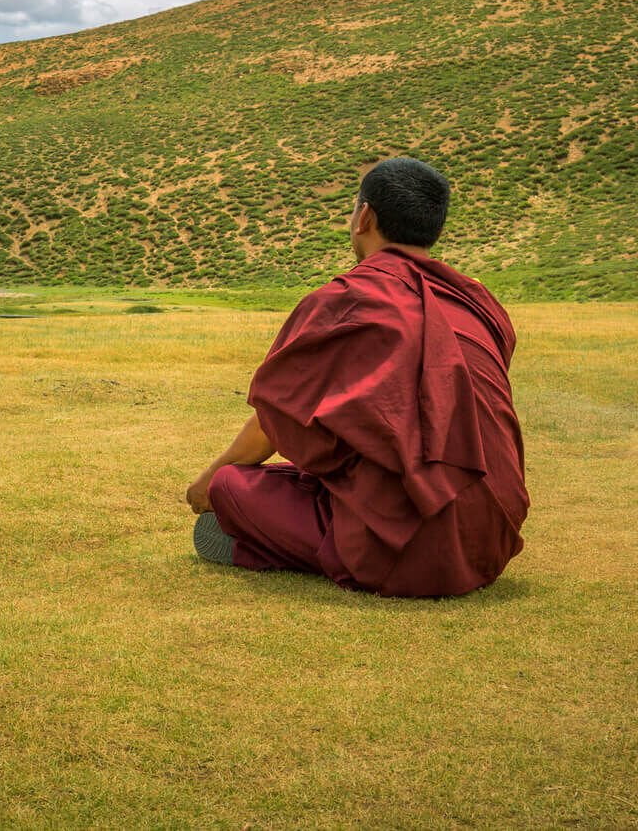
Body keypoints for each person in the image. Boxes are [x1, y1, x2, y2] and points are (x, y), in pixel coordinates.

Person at [185, 157, 528, 598]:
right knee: (319, 475)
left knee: (233, 484)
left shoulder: (348, 301)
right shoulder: (477, 301)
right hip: (491, 539)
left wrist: (207, 482)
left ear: (364, 215)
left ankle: (269, 544)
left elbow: (275, 419)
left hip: (407, 550)